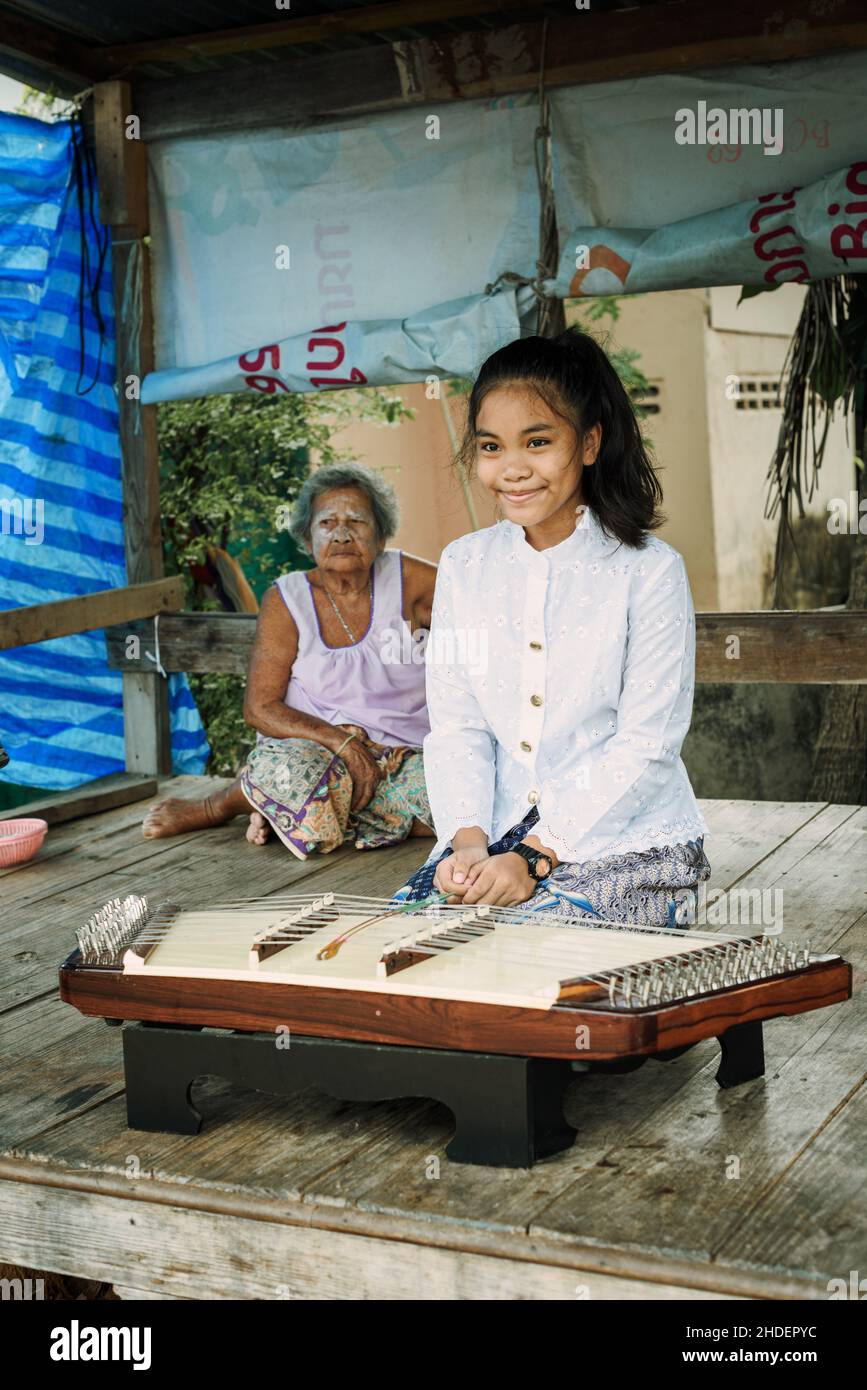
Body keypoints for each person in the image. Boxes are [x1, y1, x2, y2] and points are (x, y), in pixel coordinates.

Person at [395, 330, 711, 926]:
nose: (512, 469)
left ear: (589, 443)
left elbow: (647, 746)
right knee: (404, 946)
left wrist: (535, 859)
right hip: (497, 835)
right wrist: (466, 843)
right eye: (491, 447)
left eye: (537, 442)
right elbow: (459, 724)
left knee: (529, 958)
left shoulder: (649, 570)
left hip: (632, 843)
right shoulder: (465, 564)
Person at [144, 463, 437, 856]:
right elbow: (260, 708)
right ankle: (219, 805)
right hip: (317, 751)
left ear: (381, 535)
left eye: (357, 521)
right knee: (287, 772)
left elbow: (486, 625)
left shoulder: (413, 580)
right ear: (306, 537)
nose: (342, 533)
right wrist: (342, 743)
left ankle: (289, 813)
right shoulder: (288, 599)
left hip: (404, 755)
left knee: (460, 796)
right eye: (327, 523)